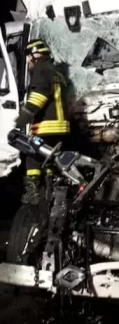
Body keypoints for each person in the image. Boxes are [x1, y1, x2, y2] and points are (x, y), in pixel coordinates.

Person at [15, 39, 70, 205]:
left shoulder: (41, 69)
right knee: (48, 157)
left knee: (32, 154)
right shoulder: (56, 72)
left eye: (28, 55)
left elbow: (39, 96)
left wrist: (23, 117)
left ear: (35, 54)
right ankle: (49, 190)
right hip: (61, 126)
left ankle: (33, 193)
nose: (27, 60)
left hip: (46, 124)